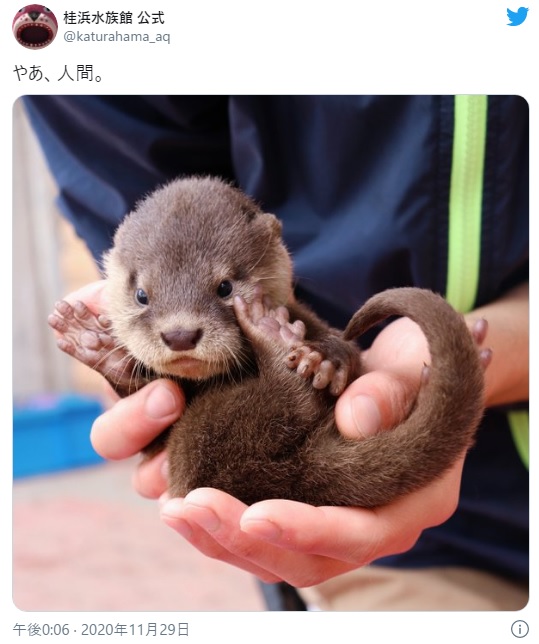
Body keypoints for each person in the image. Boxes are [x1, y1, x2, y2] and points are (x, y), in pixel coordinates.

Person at [24, 95, 529, 610]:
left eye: (222, 292)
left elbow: (337, 359)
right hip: (424, 557)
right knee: (192, 458)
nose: (180, 332)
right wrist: (125, 375)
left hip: (463, 485)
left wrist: (336, 357)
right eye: (144, 298)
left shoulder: (284, 318)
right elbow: (165, 425)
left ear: (273, 254)